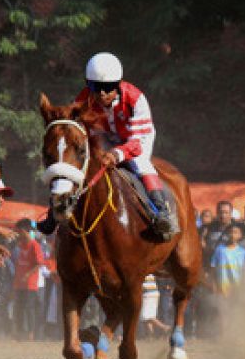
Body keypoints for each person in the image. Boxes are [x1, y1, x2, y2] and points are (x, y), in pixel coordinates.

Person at [75, 52, 178, 239]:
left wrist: (116, 154)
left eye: (107, 87)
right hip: (104, 138)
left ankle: (162, 212)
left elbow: (136, 143)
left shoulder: (136, 99)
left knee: (140, 164)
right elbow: (82, 132)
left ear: (119, 83)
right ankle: (58, 211)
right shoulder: (82, 101)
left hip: (137, 138)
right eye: (95, 87)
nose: (102, 93)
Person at [210, 223, 245, 296]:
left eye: (235, 232)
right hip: (221, 288)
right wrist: (213, 283)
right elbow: (213, 267)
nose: (232, 234)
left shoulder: (243, 252)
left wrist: (244, 287)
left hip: (236, 289)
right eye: (230, 232)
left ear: (240, 235)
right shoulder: (220, 249)